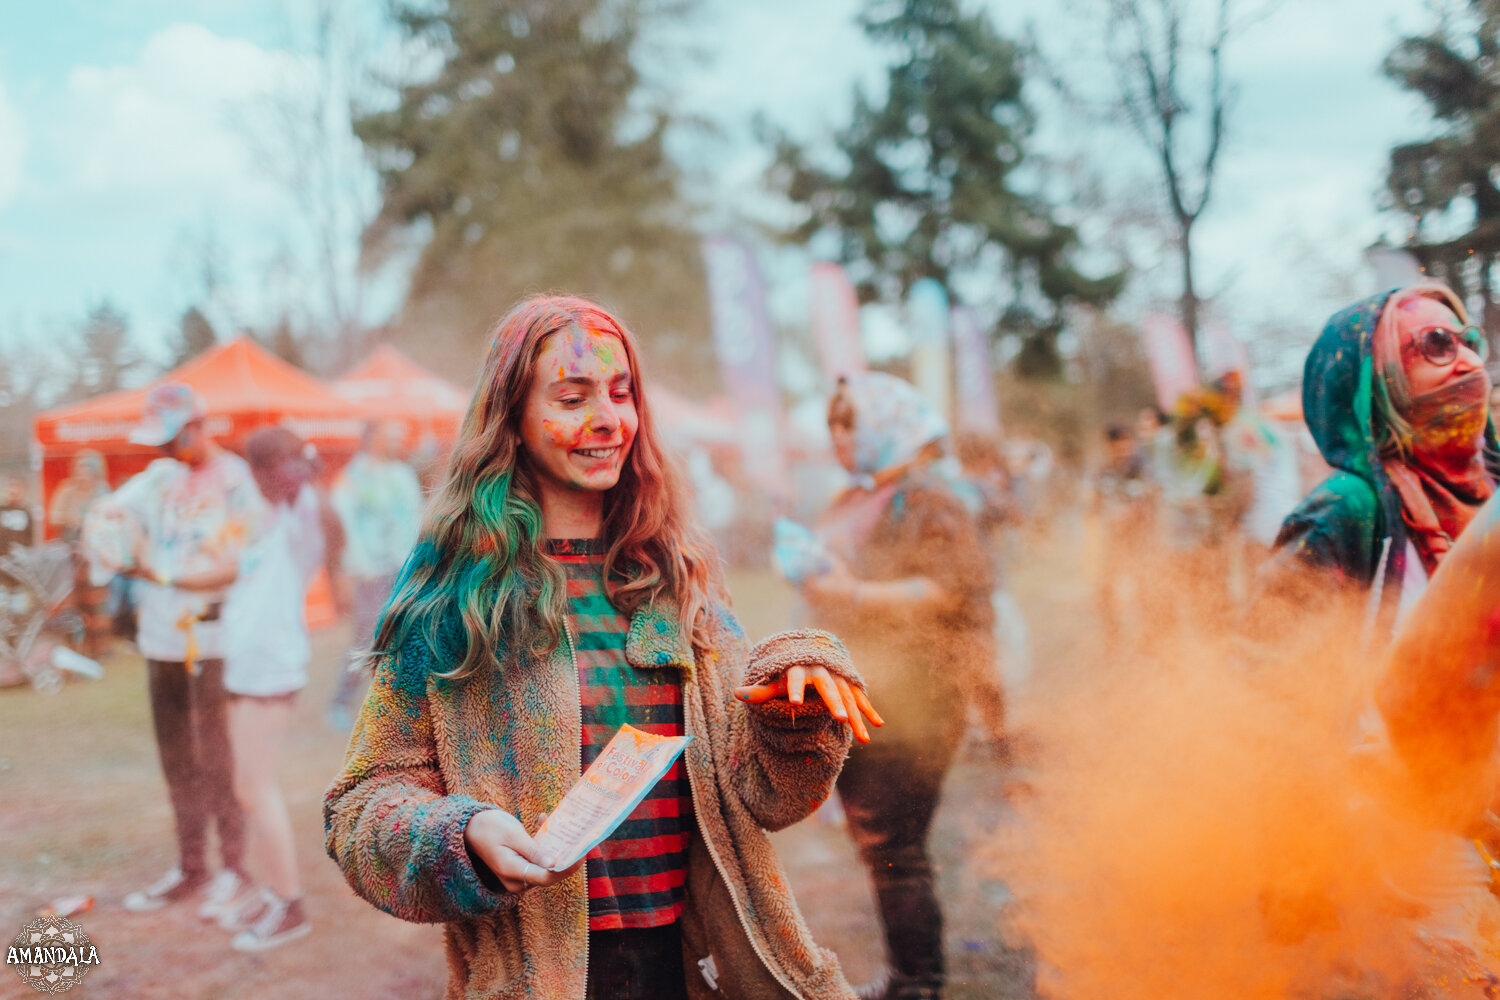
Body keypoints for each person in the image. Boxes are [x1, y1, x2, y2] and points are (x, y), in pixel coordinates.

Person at [324, 295, 882, 1000]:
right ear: (513, 421)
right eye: (571, 396)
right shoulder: (451, 599)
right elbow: (359, 807)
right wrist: (458, 836)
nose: (607, 420)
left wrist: (790, 712)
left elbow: (763, 795)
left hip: (692, 967)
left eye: (621, 394)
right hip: (540, 976)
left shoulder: (679, 578)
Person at [795, 372, 995, 1000]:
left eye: (850, 422)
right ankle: (908, 978)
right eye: (832, 423)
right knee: (879, 845)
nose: (838, 436)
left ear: (887, 423)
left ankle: (918, 982)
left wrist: (854, 592)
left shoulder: (930, 497)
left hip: (919, 697)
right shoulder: (854, 497)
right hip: (862, 687)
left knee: (895, 848)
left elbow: (951, 591)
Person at [82, 383, 265, 914]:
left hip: (213, 641)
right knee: (177, 760)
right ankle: (191, 868)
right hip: (161, 640)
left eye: (171, 440)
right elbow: (107, 515)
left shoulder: (236, 482)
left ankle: (235, 869)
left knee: (217, 760)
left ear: (197, 426)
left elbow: (242, 563)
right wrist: (110, 537)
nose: (162, 450)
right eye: (158, 441)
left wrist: (163, 572)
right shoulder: (159, 477)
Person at [1262, 282, 1499, 631]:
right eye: (1437, 342)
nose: (1473, 362)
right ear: (1378, 382)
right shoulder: (1345, 510)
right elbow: (1262, 668)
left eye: (1471, 342)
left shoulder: (1493, 483)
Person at [214, 427, 342, 950]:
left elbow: (327, 519)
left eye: (270, 471)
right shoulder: (270, 516)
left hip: (270, 670)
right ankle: (272, 891)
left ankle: (290, 905)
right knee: (246, 788)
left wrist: (304, 469)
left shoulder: (303, 514)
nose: (264, 481)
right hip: (245, 668)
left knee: (254, 788)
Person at [325, 419, 423, 729]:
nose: (393, 440)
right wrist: (361, 566)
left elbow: (417, 517)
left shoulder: (402, 474)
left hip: (405, 568)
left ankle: (398, 707)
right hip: (371, 571)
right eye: (387, 435)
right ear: (370, 438)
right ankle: (341, 702)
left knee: (408, 635)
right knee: (366, 636)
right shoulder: (353, 478)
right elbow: (345, 527)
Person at [1090, 422, 1155, 642]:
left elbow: (1150, 501)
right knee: (1106, 592)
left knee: (1145, 590)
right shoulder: (1103, 471)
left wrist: (1128, 513)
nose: (1124, 451)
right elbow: (1093, 506)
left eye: (1127, 445)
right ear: (1108, 446)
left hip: (1140, 541)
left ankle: (1149, 639)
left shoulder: (1143, 467)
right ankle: (1113, 638)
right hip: (1112, 542)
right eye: (1118, 446)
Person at [48, 450, 113, 655]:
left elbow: (111, 518)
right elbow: (54, 516)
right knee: (71, 601)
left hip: (94, 554)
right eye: (80, 470)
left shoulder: (103, 491)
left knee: (96, 603)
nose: (84, 475)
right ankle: (74, 647)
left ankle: (99, 647)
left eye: (88, 471)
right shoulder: (67, 490)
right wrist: (76, 519)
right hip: (69, 553)